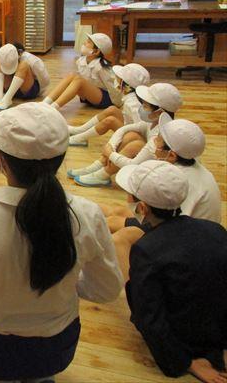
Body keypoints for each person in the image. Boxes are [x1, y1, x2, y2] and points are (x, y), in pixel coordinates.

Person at [0, 103, 123, 382]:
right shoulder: (88, 214)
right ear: (61, 158)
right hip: (57, 349)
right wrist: (68, 281)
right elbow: (107, 290)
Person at [111, 160, 227, 383]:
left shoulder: (147, 249)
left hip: (186, 340)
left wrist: (186, 362)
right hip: (217, 328)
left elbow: (149, 318)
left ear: (142, 208)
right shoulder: (215, 230)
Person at [102, 116, 221, 232]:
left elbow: (173, 227)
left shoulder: (182, 183)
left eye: (158, 140)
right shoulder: (190, 167)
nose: (154, 142)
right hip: (175, 225)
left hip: (184, 234)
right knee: (117, 212)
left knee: (115, 225)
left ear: (172, 155)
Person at [69, 82, 182, 187]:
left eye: (145, 106)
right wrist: (111, 146)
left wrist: (110, 154)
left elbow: (132, 164)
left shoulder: (157, 137)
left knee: (136, 145)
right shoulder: (152, 122)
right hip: (143, 160)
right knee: (131, 134)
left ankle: (102, 174)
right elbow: (124, 129)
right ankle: (99, 165)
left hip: (153, 173)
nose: (142, 108)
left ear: (159, 112)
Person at [68, 63, 150, 147]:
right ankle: (79, 130)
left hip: (136, 139)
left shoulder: (133, 103)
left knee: (110, 121)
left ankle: (79, 139)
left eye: (118, 79)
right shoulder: (130, 98)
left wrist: (124, 131)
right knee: (112, 109)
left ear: (125, 83)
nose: (116, 80)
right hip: (131, 129)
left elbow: (142, 128)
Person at [42, 33, 122, 110]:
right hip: (89, 96)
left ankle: (53, 108)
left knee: (79, 80)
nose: (84, 43)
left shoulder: (101, 67)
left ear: (96, 51)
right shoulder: (81, 60)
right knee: (72, 75)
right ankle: (45, 103)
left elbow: (112, 86)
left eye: (88, 42)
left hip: (105, 98)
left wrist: (118, 103)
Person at [0, 43, 51, 111]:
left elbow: (46, 81)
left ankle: (7, 99)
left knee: (24, 65)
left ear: (20, 54)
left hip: (27, 90)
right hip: (9, 89)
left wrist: (39, 93)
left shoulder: (31, 60)